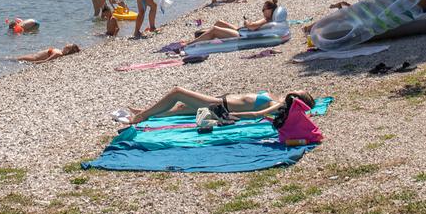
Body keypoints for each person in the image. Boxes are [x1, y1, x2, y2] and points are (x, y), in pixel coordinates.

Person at [114, 88, 315, 129]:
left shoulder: (277, 104)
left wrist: (230, 115)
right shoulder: (277, 98)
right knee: (182, 107)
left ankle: (140, 116)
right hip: (220, 101)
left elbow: (256, 114)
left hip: (220, 106)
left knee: (177, 93)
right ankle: (146, 112)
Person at [189, 0, 279, 44]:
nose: (262, 11)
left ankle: (190, 44)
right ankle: (204, 35)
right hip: (242, 31)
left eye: (264, 10)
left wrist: (247, 22)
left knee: (215, 29)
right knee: (219, 22)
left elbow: (252, 26)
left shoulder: (267, 19)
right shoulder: (269, 19)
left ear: (270, 10)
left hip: (241, 36)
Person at [16, 43, 81, 63]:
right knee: (14, 59)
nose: (66, 44)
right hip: (33, 56)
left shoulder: (58, 54)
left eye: (67, 46)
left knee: (14, 59)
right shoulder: (60, 52)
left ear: (68, 50)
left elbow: (46, 61)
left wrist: (33, 63)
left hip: (34, 58)